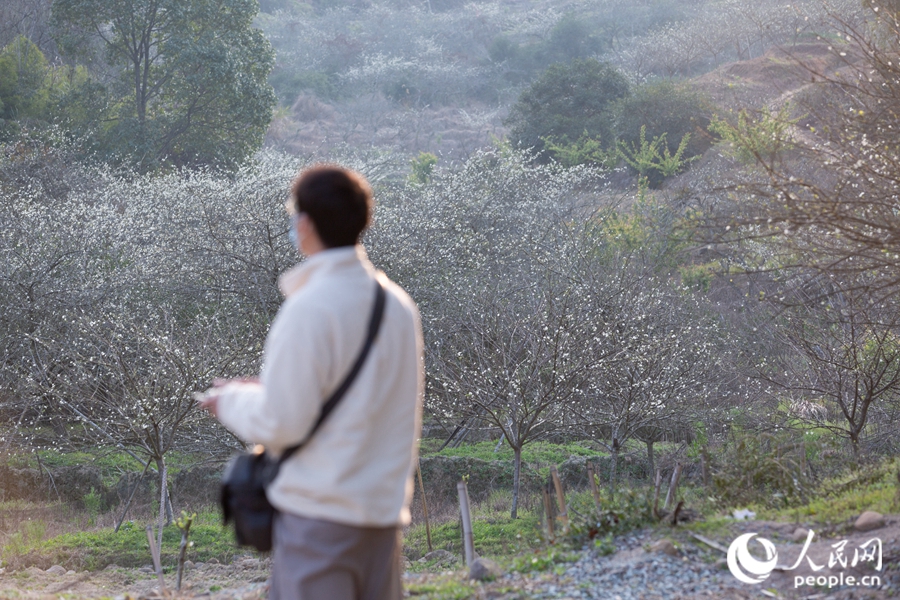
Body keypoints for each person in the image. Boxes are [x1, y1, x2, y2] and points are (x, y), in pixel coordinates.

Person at [199, 164, 423, 600]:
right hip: (383, 517)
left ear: (304, 223)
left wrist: (231, 401)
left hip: (321, 520)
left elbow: (283, 422)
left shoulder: (309, 307)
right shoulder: (398, 304)